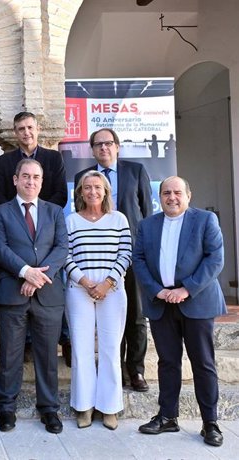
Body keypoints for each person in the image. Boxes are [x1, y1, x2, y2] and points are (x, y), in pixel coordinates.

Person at [134, 176, 225, 447]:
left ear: (188, 195)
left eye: (177, 193)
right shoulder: (147, 225)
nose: (171, 197)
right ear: (159, 197)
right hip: (161, 303)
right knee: (168, 363)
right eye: (165, 193)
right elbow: (137, 259)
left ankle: (210, 422)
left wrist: (186, 289)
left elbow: (215, 258)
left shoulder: (205, 220)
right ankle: (168, 417)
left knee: (203, 364)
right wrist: (156, 290)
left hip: (195, 301)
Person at [0, 158, 68, 434]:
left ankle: (49, 409)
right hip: (13, 293)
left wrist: (35, 279)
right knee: (10, 356)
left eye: (36, 177)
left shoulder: (55, 211)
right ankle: (6, 408)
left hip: (47, 295)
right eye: (26, 176)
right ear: (15, 179)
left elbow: (62, 248)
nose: (31, 181)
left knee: (47, 356)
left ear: (42, 181)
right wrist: (25, 272)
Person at [75, 128, 153, 392]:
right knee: (110, 318)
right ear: (92, 149)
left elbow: (147, 213)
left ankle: (137, 371)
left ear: (117, 147)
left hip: (131, 255)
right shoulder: (83, 177)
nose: (104, 148)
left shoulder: (136, 171)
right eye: (98, 145)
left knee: (135, 315)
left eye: (108, 143)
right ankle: (114, 371)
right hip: (97, 259)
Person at [64, 171, 132, 430]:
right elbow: (66, 255)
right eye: (87, 188)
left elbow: (125, 253)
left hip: (111, 291)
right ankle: (84, 406)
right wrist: (85, 282)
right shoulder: (71, 221)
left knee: (110, 349)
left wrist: (106, 283)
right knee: (81, 349)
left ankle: (109, 407)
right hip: (79, 289)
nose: (92, 192)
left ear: (106, 191)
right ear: (80, 192)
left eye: (97, 187)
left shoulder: (118, 219)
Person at [0, 112, 67, 207]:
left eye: (30, 127)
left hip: (47, 219)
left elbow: (61, 194)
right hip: (12, 219)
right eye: (21, 129)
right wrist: (16, 214)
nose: (26, 132)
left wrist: (40, 213)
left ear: (38, 129)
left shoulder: (54, 158)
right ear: (15, 133)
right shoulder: (3, 161)